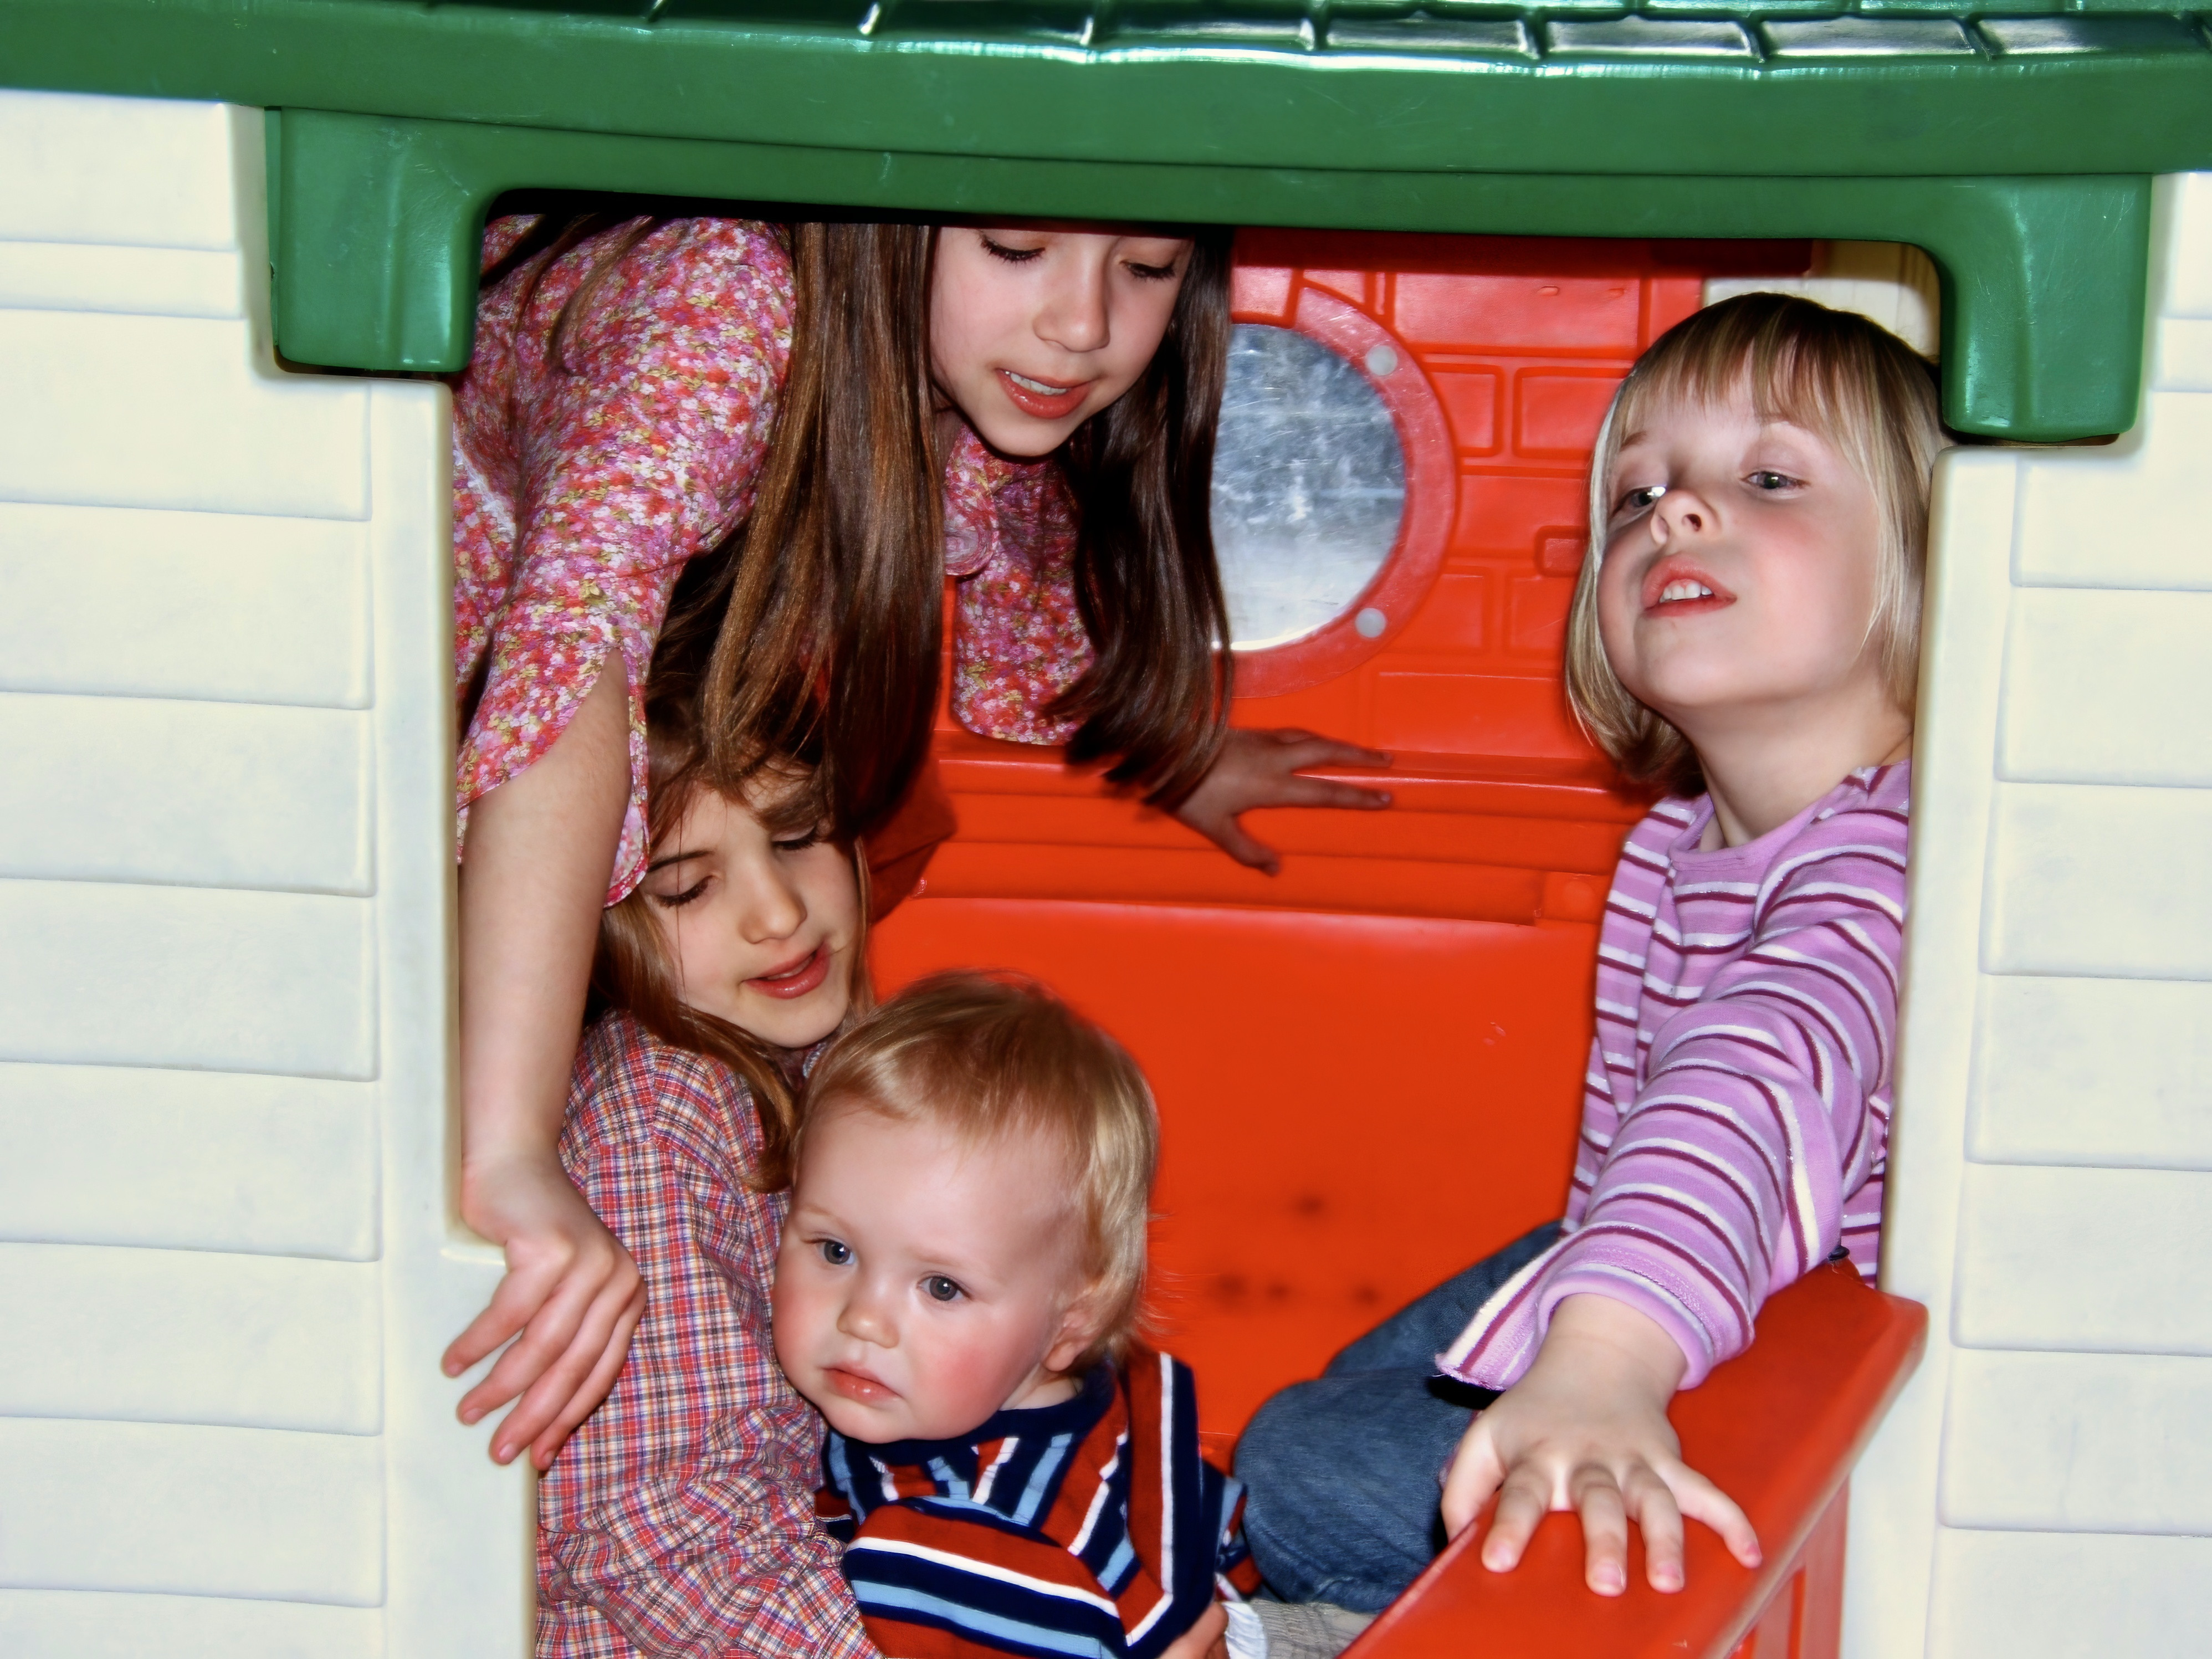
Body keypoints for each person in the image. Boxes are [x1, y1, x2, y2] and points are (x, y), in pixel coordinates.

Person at [443, 211, 1394, 1468]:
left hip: (669, 706)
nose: (1082, 322)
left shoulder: (964, 372)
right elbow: (567, 671)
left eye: (1147, 269)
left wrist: (1173, 751)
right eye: (1015, 249)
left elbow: (1016, 588)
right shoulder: (722, 304)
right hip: (486, 715)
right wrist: (508, 1147)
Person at [1233, 293, 1944, 1617]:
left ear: (1921, 561)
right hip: (1659, 1245)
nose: (1676, 514)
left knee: (1293, 1470)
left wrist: (1604, 1367)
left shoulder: (1885, 859)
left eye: (1769, 478)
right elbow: (1632, 1146)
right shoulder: (1673, 845)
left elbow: (1752, 1075)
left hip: (1781, 1332)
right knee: (1347, 1390)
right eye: (1638, 494)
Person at [533, 621, 871, 1658]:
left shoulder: (809, 1051)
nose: (778, 911)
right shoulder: (657, 1113)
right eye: (688, 883)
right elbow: (662, 1530)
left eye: (799, 834)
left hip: (805, 1554)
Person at [772, 972, 1269, 1659]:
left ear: (1072, 1324)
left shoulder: (958, 1551)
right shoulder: (1082, 1390)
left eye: (941, 1288)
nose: (863, 1320)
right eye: (836, 1250)